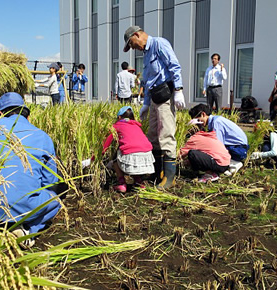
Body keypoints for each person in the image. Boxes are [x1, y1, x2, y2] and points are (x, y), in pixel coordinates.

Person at [0, 92, 65, 247]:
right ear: (27, 116)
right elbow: (50, 181)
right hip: (26, 207)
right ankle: (28, 230)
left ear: (1, 114)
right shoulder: (42, 136)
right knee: (55, 201)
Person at [123, 25, 185, 189]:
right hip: (154, 98)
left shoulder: (159, 44)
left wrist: (178, 90)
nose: (133, 48)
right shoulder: (145, 55)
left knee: (166, 134)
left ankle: (169, 177)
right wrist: (145, 104)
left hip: (165, 95)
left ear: (137, 35)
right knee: (153, 136)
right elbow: (148, 80)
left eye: (132, 43)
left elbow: (174, 66)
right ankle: (157, 172)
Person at [99, 106, 155, 193]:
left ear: (119, 117)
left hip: (132, 155)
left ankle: (121, 184)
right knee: (132, 158)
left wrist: (92, 159)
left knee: (116, 160)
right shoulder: (137, 126)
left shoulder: (116, 126)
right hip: (147, 158)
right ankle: (139, 182)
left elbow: (105, 146)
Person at [188, 104, 248, 174]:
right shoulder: (214, 120)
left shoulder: (216, 123)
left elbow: (218, 144)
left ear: (203, 114)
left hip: (238, 149)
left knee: (213, 151)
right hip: (236, 147)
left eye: (198, 120)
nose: (198, 124)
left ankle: (233, 163)